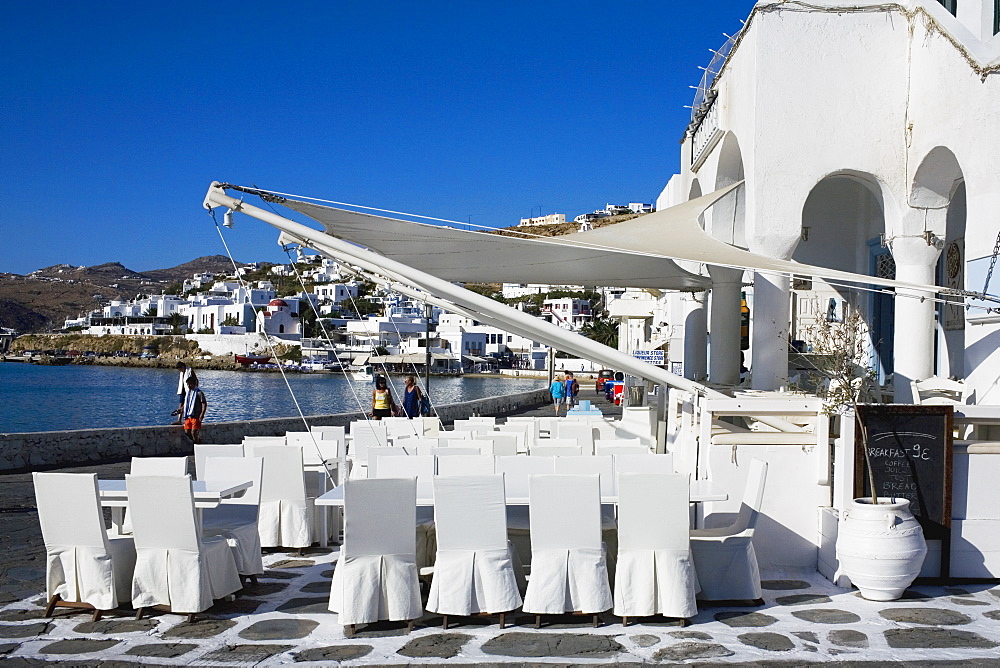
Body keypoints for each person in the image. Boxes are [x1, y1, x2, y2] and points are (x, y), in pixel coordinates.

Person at [181, 376, 207, 444]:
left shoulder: (199, 393)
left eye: (190, 384)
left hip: (196, 416)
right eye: (188, 384)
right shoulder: (188, 393)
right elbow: (187, 403)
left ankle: (197, 445)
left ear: (194, 384)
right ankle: (197, 441)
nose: (189, 386)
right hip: (188, 416)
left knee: (194, 432)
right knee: (187, 432)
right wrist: (181, 409)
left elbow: (204, 404)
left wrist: (202, 414)